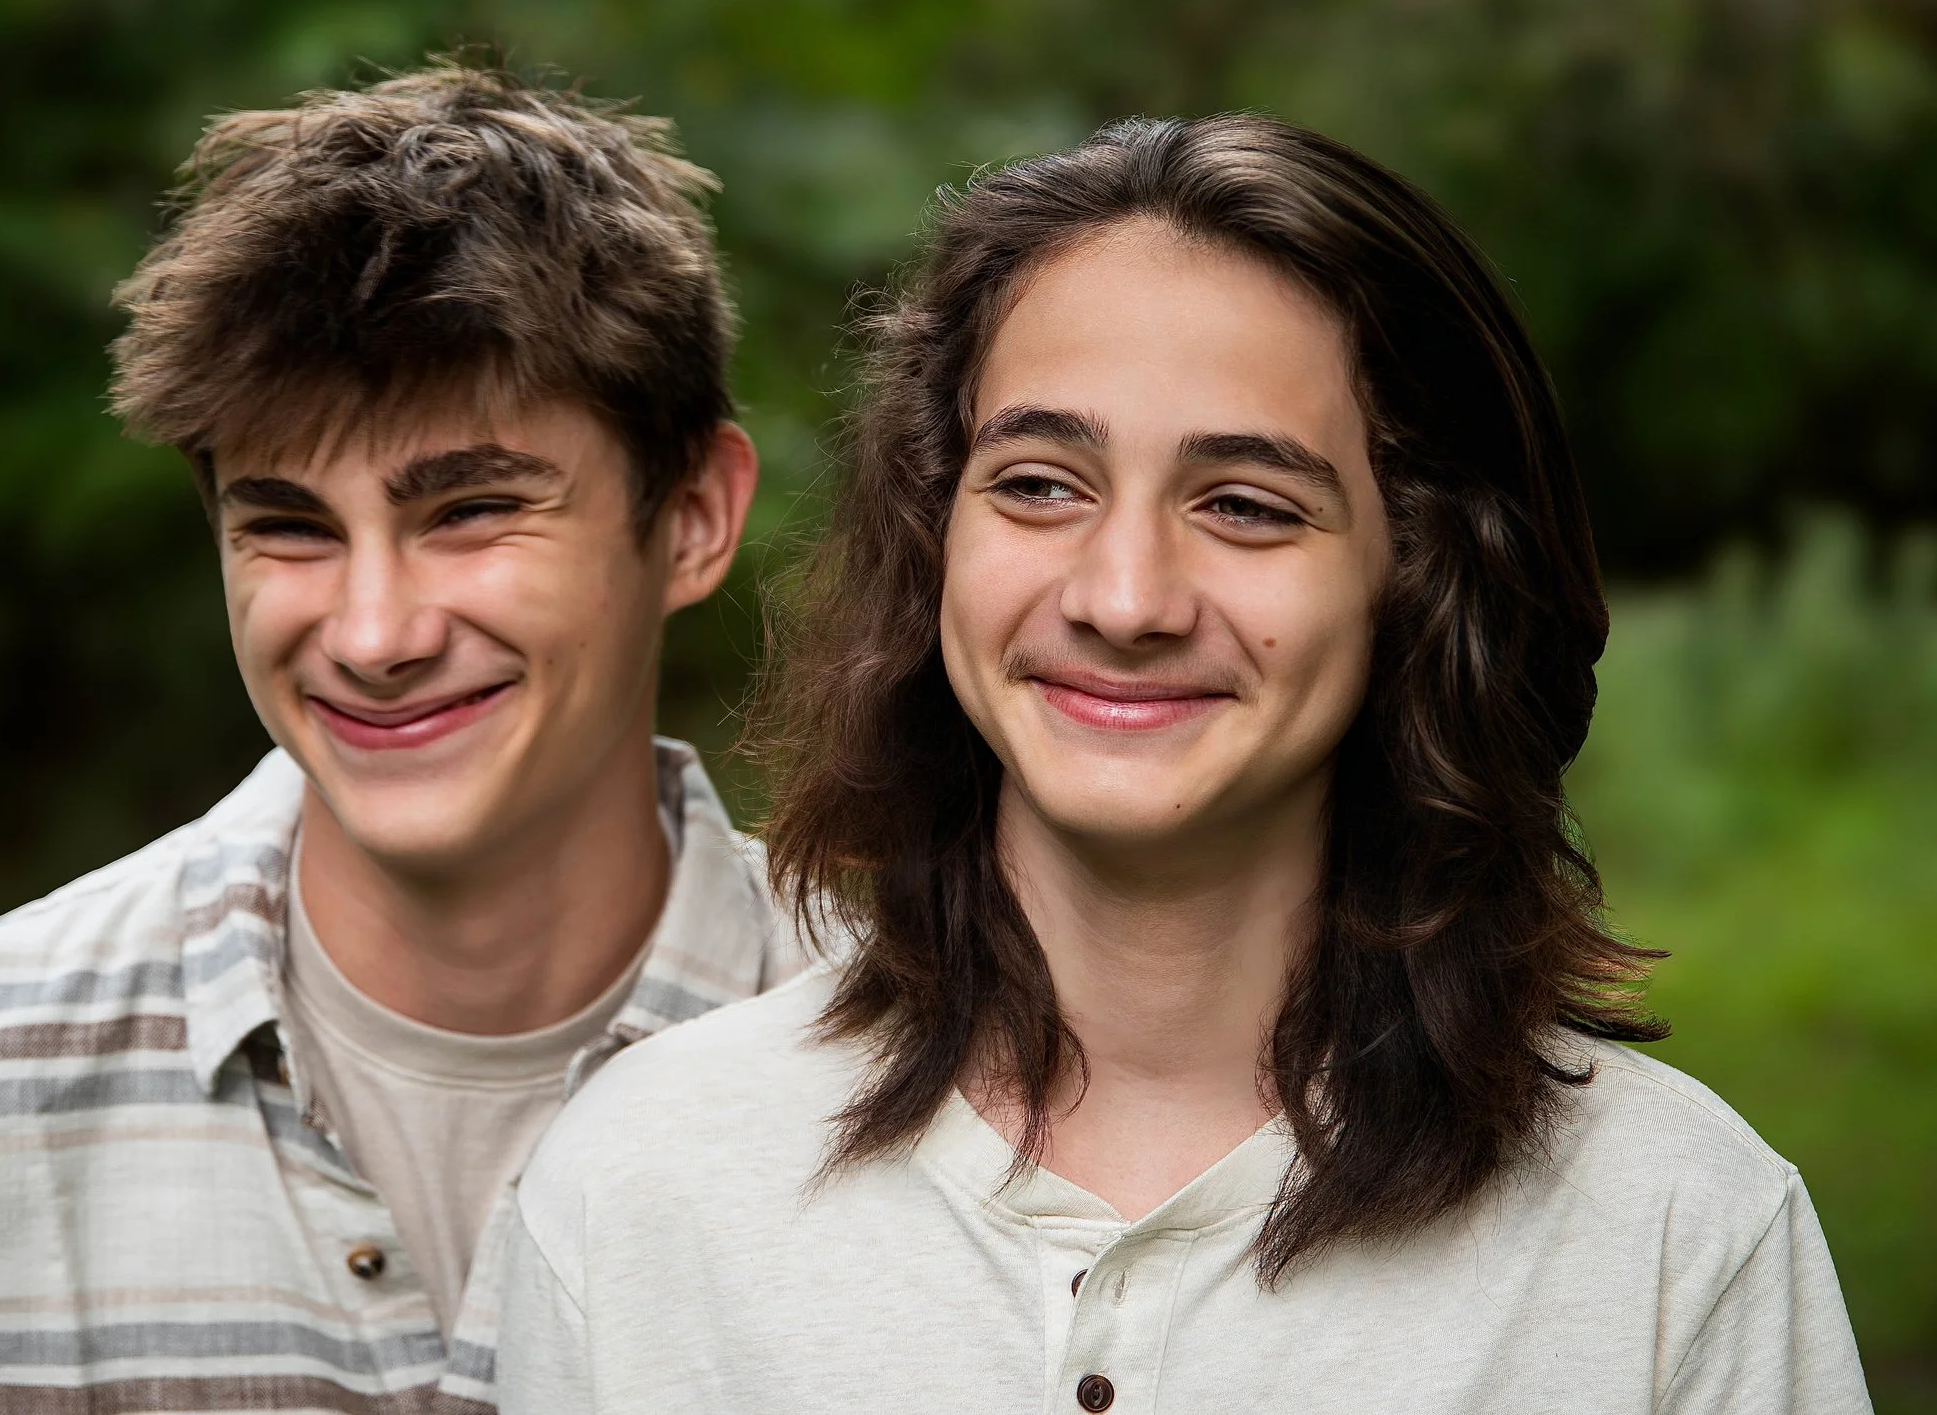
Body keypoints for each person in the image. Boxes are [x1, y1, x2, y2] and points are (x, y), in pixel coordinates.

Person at [497, 114, 1872, 1415]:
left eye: (1246, 505)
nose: (1125, 597)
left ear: (1421, 574)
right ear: (936, 534)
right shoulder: (642, 1196)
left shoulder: (1677, 1238)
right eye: (1040, 482)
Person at [0, 65, 806, 1415]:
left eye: (472, 511)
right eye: (290, 526)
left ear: (693, 519)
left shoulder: (960, 1056)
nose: (373, 633)